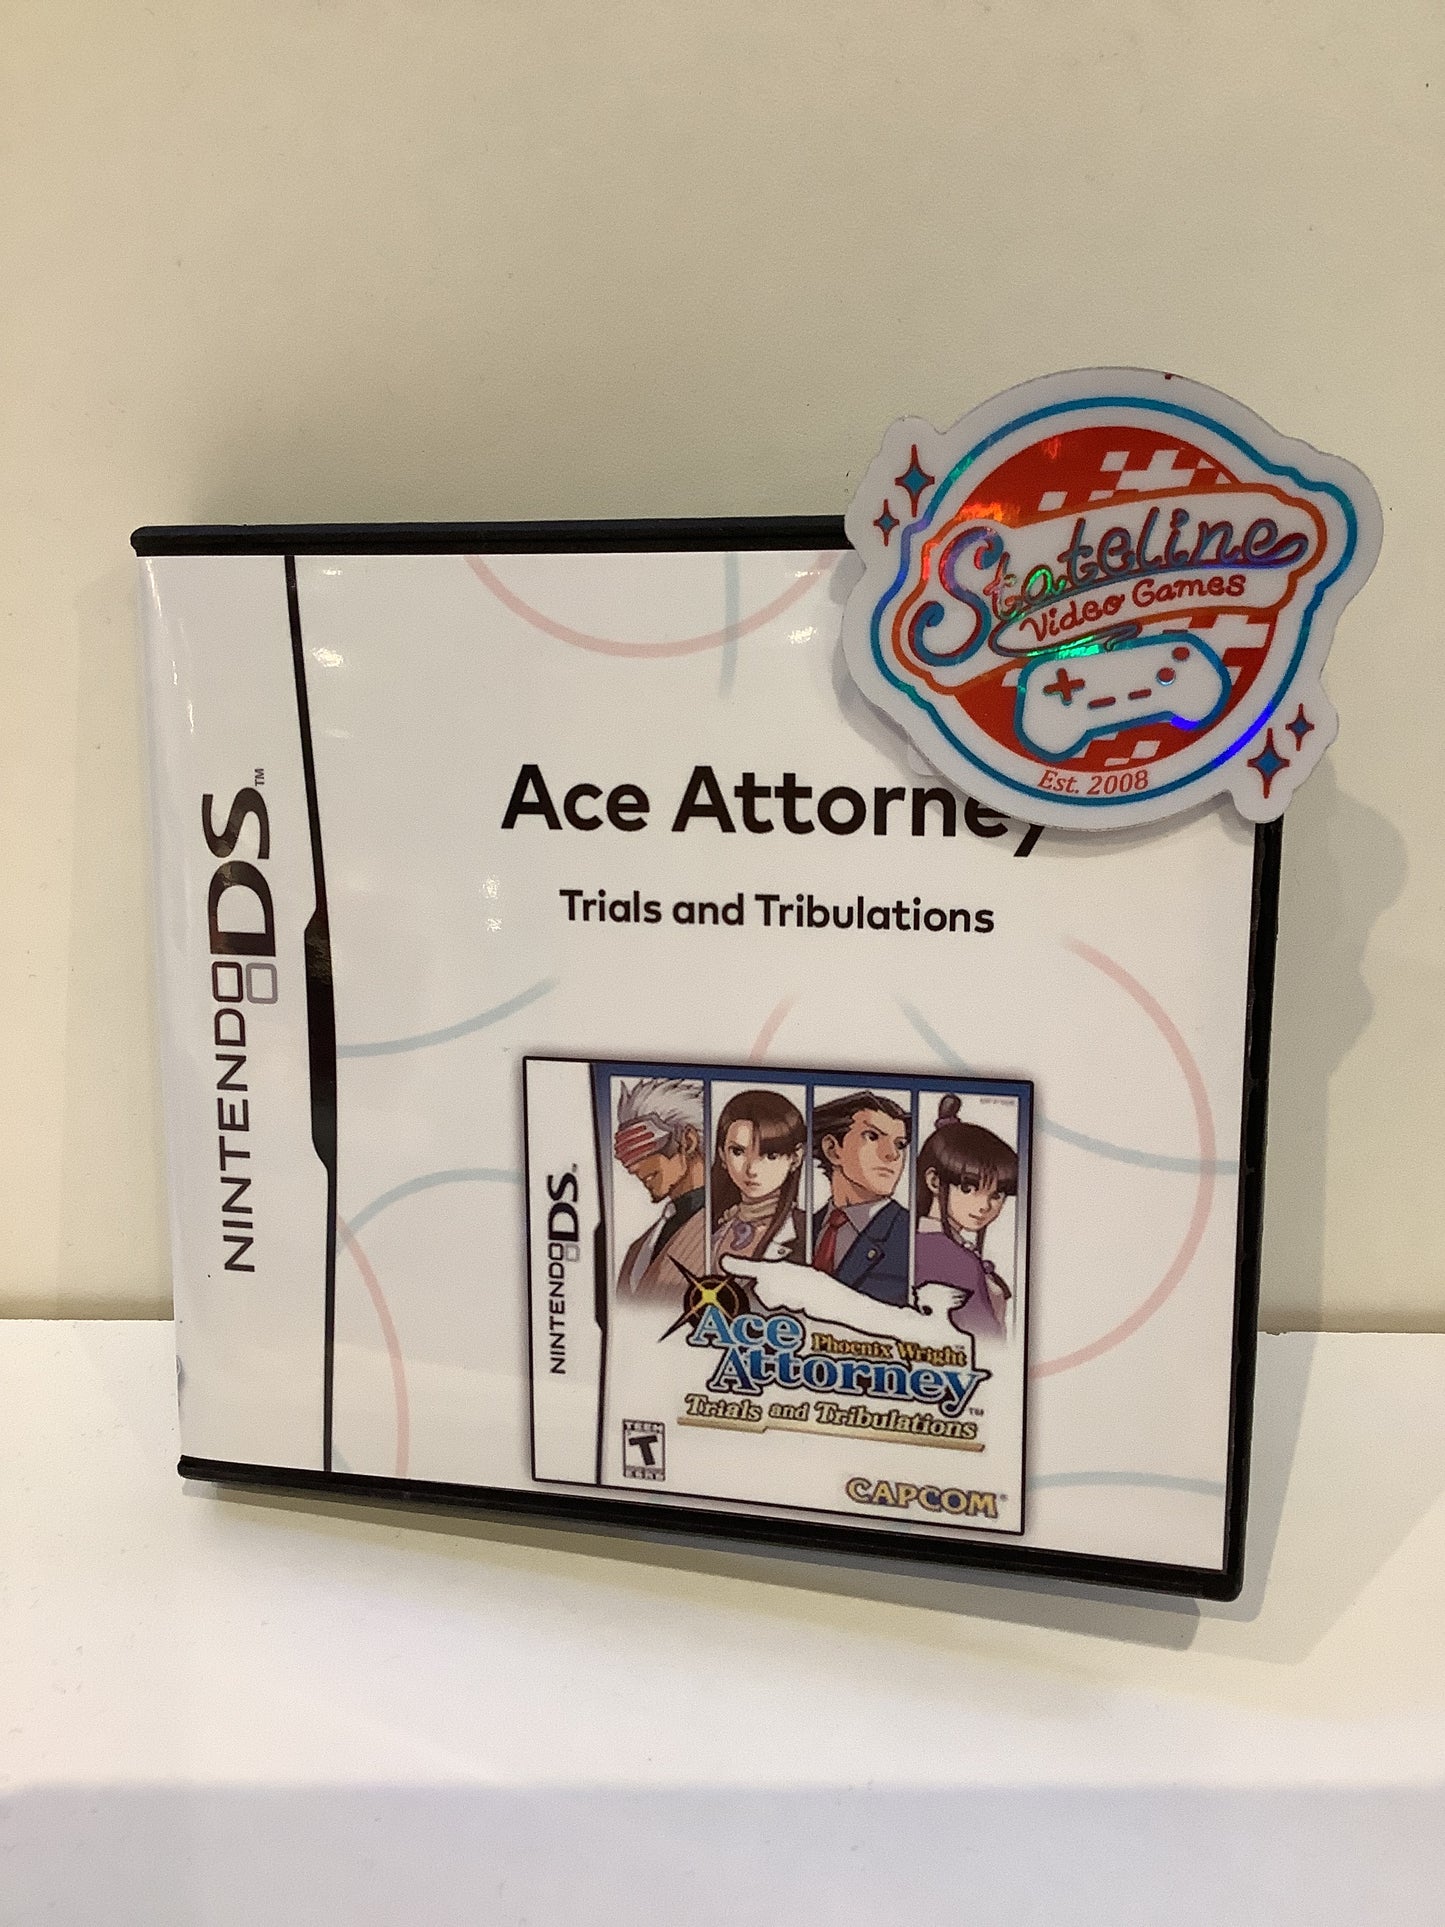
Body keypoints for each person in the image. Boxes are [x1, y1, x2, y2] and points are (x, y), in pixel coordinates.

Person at [914, 1096, 1018, 1341]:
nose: (984, 1206)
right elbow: (985, 1343)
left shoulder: (916, 1241)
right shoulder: (953, 1258)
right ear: (934, 1181)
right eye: (968, 1188)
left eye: (997, 1195)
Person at [810, 1090, 911, 1306]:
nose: (892, 1154)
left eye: (900, 1144)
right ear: (832, 1150)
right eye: (872, 1136)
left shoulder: (911, 1235)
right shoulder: (803, 1229)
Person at [613, 1077, 707, 1303]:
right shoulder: (640, 1248)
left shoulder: (728, 1227)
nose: (632, 1168)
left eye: (641, 1149)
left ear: (688, 1142)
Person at [710, 1090, 806, 1264]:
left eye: (770, 1155)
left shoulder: (807, 1232)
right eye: (738, 1152)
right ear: (722, 1155)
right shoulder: (711, 1226)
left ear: (795, 1158)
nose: (751, 1169)